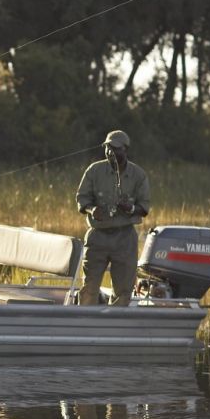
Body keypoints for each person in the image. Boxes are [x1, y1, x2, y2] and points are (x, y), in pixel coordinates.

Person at [76, 130, 150, 306]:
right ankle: (85, 325)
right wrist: (92, 209)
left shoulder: (138, 175)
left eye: (115, 148)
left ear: (125, 150)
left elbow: (144, 208)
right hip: (97, 236)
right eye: (107, 148)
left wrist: (130, 208)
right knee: (89, 287)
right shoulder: (94, 170)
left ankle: (115, 328)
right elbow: (82, 198)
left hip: (124, 238)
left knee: (123, 290)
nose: (110, 152)